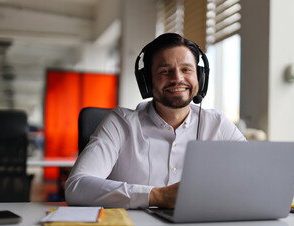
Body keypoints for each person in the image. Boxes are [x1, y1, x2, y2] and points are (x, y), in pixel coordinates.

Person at [65, 33, 246, 209]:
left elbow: (254, 179)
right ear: (147, 81)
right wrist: (158, 196)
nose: (177, 78)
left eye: (186, 69)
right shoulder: (120, 123)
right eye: (165, 71)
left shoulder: (217, 124)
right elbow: (76, 186)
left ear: (200, 76)